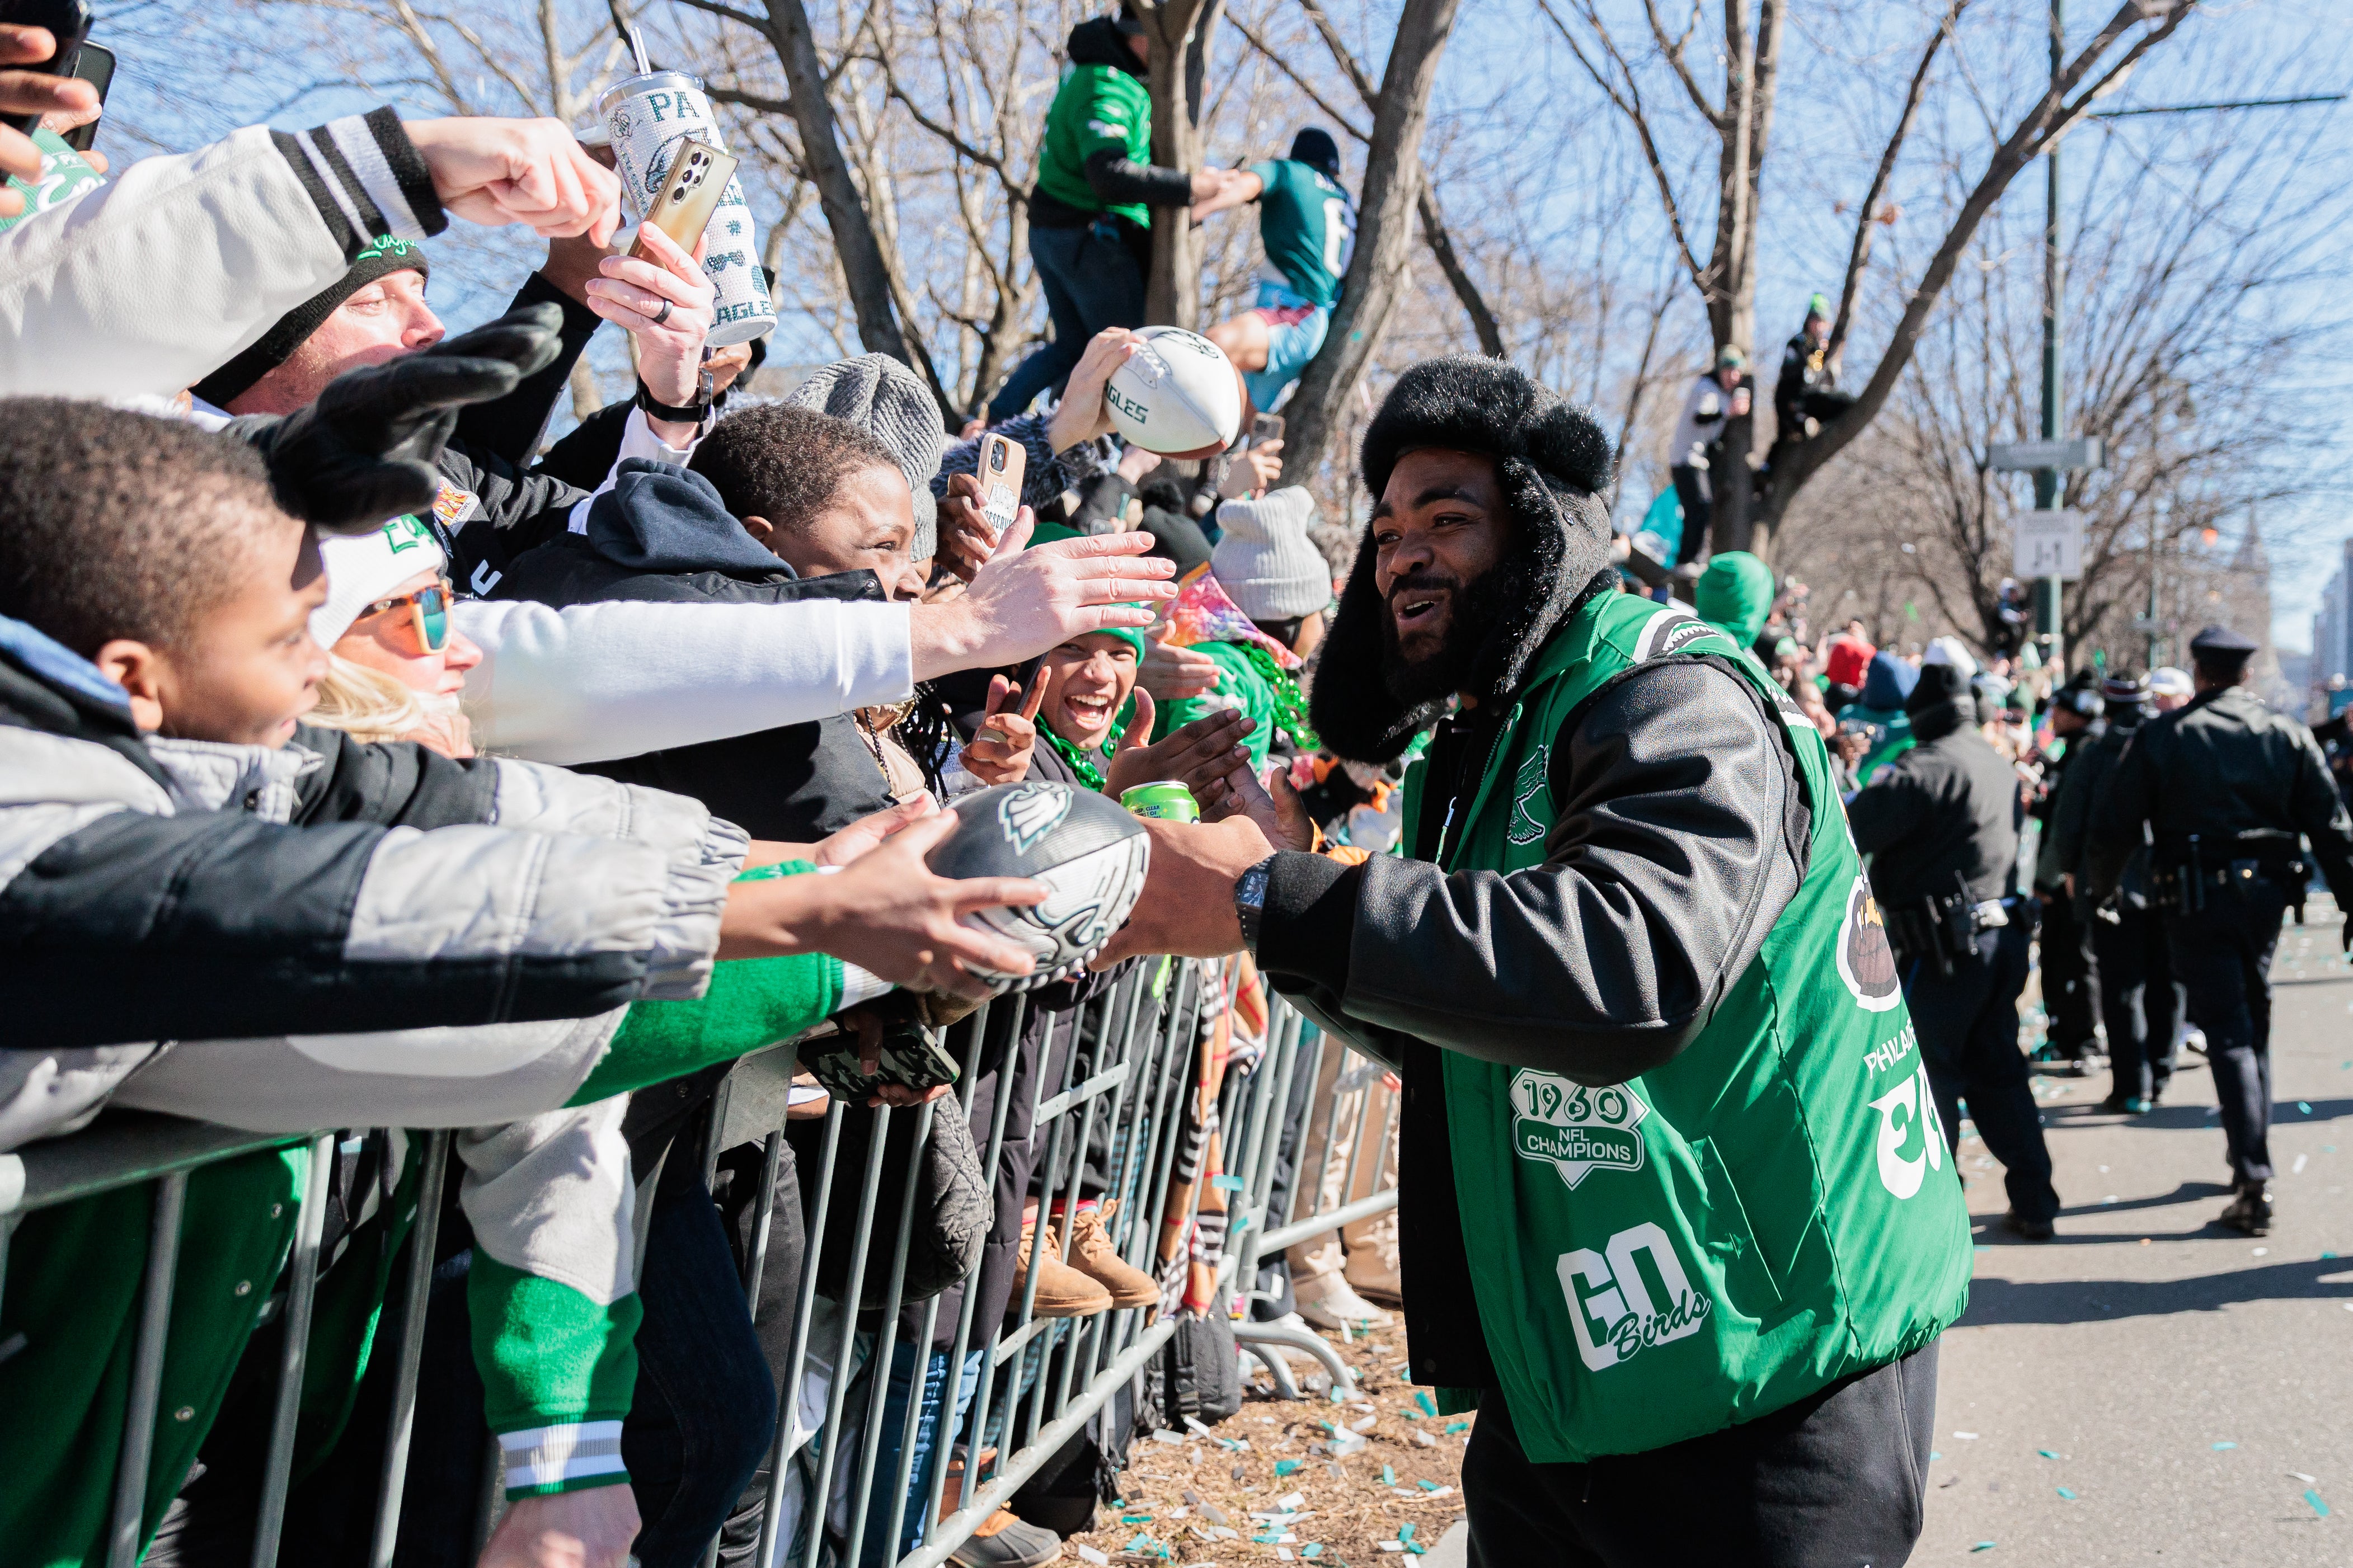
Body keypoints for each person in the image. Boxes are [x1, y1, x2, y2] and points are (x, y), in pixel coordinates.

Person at [1093, 356, 1968, 1565]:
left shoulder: (1667, 695)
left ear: (1542, 533)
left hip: (1762, 1376)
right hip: (1569, 1382)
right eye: (1387, 529)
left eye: (1447, 521)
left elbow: (1624, 974)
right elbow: (1469, 1025)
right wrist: (1284, 885)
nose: (1401, 552)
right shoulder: (1497, 723)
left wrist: (1261, 901)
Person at [2087, 624, 2353, 1236]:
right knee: (2249, 1017)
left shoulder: (2165, 735)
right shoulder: (2282, 734)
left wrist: (2100, 893)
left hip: (2194, 897)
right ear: (2244, 675)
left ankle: (2252, 1173)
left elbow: (2113, 824)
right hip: (2264, 897)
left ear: (2200, 673)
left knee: (2229, 1027)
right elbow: (2330, 826)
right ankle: (2245, 1155)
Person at [1849, 658, 2063, 1241]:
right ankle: (2034, 1198)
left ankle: (1936, 1219)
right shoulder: (1992, 760)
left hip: (1939, 949)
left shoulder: (1921, 769)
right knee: (1997, 1071)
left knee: (1927, 1078)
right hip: (1999, 939)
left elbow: (1848, 830)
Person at [986, 8, 1247, 421]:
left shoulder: (1103, 77)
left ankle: (1000, 420)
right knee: (1122, 351)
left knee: (1074, 347)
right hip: (1087, 237)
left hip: (1060, 233)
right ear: (1139, 37)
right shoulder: (1106, 84)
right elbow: (1107, 174)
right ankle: (1074, 450)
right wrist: (1189, 187)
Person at [2050, 672, 2183, 1114]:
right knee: (2166, 981)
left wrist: (2068, 870)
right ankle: (2160, 1070)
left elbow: (2068, 821)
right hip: (2169, 885)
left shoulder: (2094, 755)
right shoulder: (2170, 745)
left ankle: (2131, 1084)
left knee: (2122, 988)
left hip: (2111, 888)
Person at [1197, 128, 1356, 417]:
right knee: (1237, 424)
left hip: (1296, 314)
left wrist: (1198, 208)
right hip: (1310, 320)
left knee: (1212, 347)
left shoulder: (1289, 172)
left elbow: (1246, 185)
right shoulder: (1346, 200)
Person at [2031, 675, 2105, 1067]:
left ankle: (2085, 1040)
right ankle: (2062, 1035)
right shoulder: (2075, 750)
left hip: (2072, 878)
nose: (2052, 717)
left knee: (2077, 958)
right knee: (2058, 957)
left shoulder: (2086, 752)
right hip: (2067, 874)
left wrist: (2048, 878)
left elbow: (2069, 824)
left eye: (2058, 709)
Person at [1663, 346, 1751, 568]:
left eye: (1737, 372)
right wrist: (1728, 412)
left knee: (1700, 507)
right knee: (1700, 505)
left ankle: (1690, 558)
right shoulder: (1707, 388)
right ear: (1720, 370)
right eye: (1729, 371)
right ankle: (1687, 560)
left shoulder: (1722, 395)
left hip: (1697, 459)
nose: (1733, 377)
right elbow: (1700, 418)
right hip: (1686, 459)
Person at [1769, 293, 1854, 448]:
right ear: (1808, 320)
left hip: (1811, 400)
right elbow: (1792, 375)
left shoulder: (1823, 350)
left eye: (1822, 321)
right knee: (1783, 443)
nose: (1818, 326)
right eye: (1815, 320)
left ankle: (1814, 425)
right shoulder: (1798, 344)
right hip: (1793, 401)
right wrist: (1811, 356)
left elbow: (1826, 381)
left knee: (1844, 402)